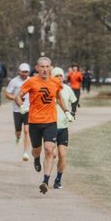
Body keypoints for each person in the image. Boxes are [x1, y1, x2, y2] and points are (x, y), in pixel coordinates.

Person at [15, 56, 71, 194]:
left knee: (50, 150)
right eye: (42, 67)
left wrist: (67, 111)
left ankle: (45, 181)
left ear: (50, 68)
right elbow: (18, 96)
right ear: (37, 68)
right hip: (34, 121)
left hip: (50, 121)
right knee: (37, 150)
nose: (45, 69)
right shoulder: (31, 82)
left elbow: (59, 97)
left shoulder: (55, 82)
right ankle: (35, 158)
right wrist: (21, 106)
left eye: (47, 67)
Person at [50, 66, 78, 189]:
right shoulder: (48, 89)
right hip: (50, 126)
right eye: (56, 75)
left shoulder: (67, 89)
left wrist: (73, 113)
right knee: (52, 154)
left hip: (63, 127)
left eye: (61, 75)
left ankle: (58, 179)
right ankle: (46, 176)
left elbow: (74, 101)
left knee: (62, 154)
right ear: (52, 77)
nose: (59, 78)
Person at [5, 63, 32, 162]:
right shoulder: (14, 81)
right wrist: (17, 98)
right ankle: (17, 137)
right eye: (23, 72)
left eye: (26, 72)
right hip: (17, 110)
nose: (24, 74)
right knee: (18, 131)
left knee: (27, 130)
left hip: (28, 109)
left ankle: (25, 152)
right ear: (19, 71)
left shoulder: (31, 81)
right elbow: (7, 94)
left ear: (28, 72)